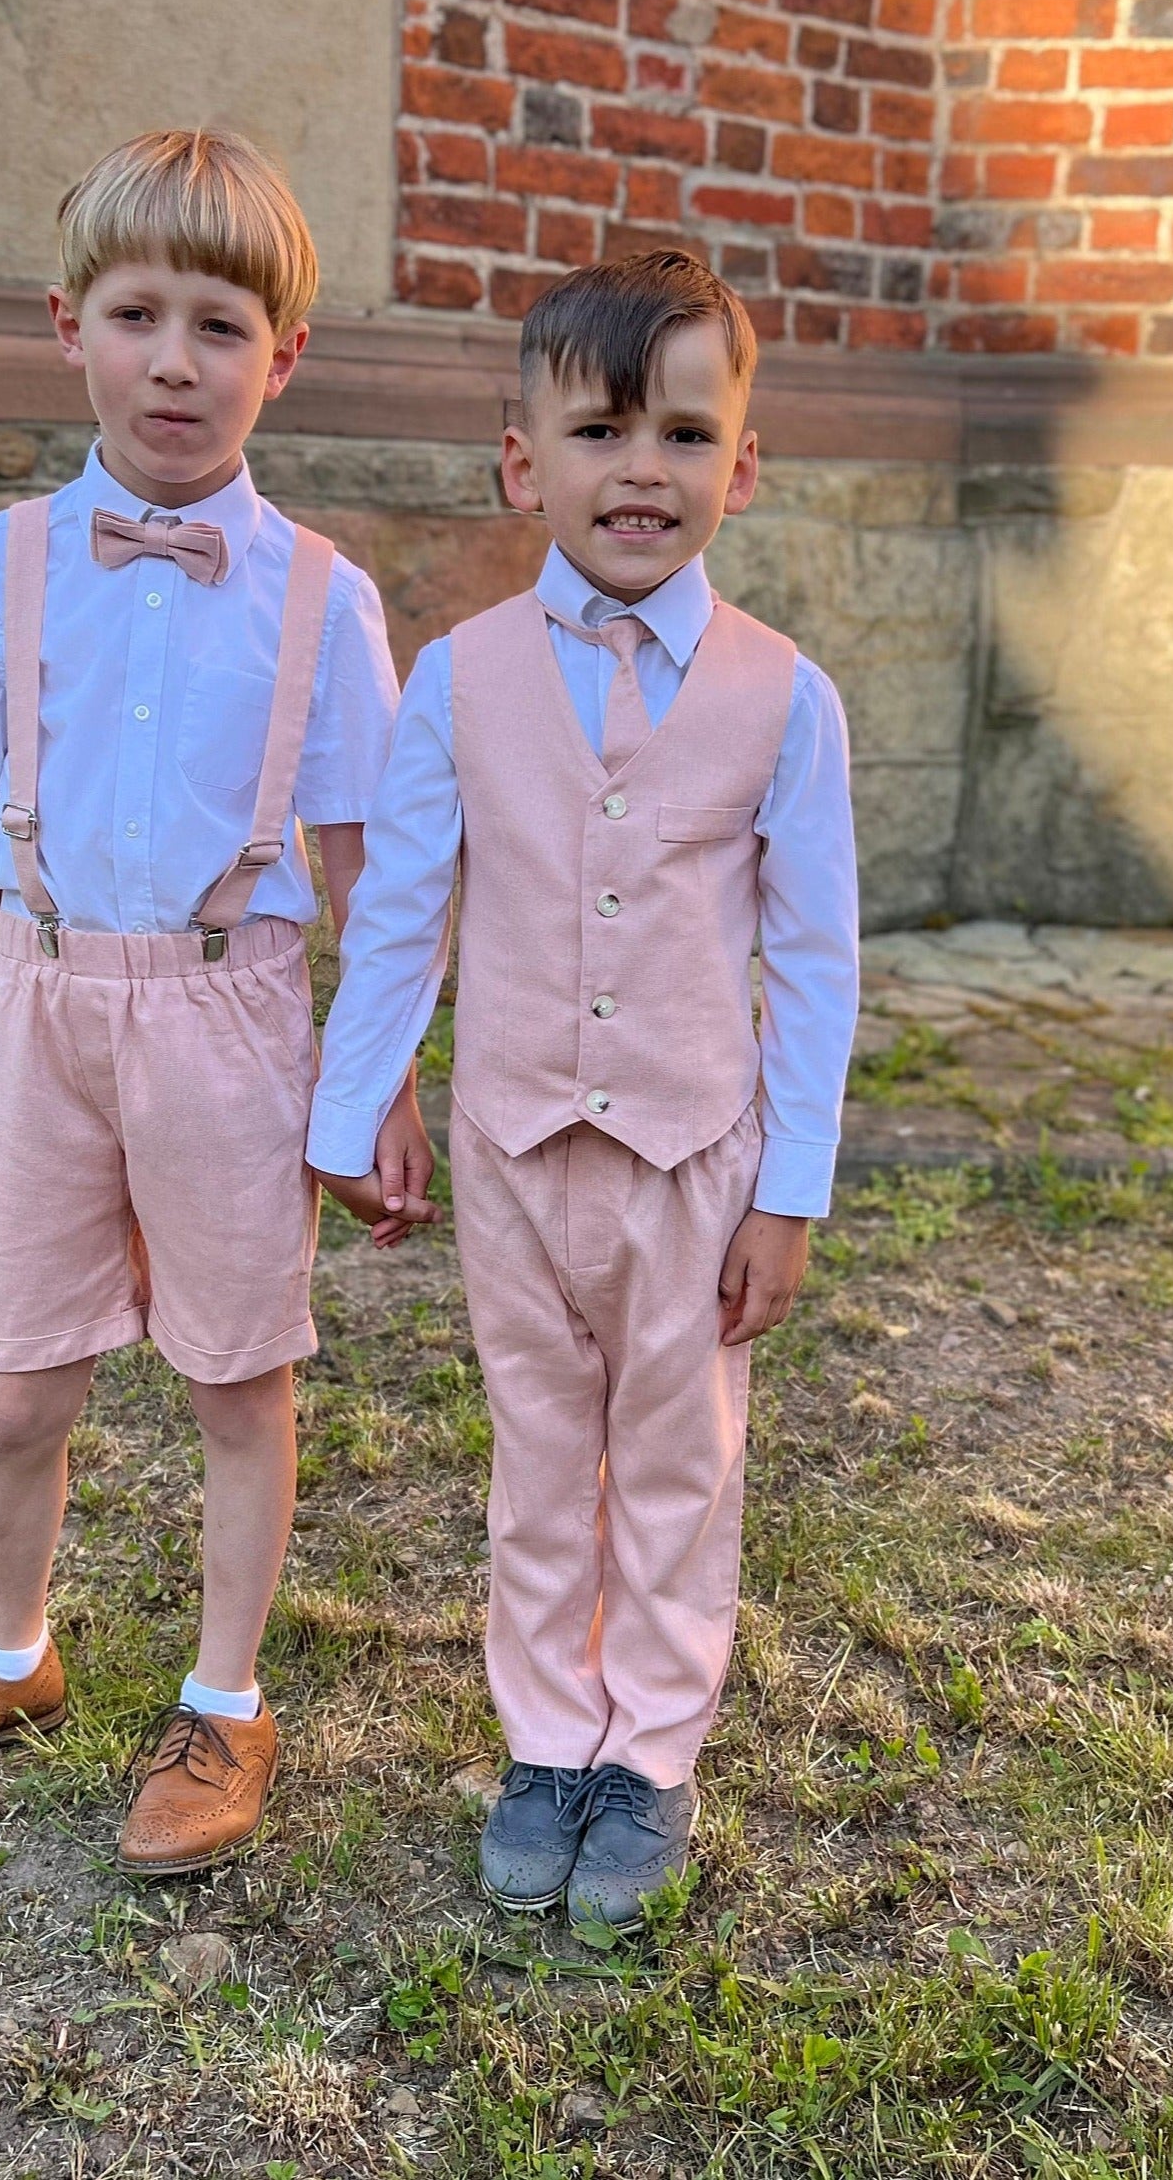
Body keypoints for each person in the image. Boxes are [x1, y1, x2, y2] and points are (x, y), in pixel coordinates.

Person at [0, 130, 400, 1876]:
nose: (175, 359)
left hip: (233, 1015)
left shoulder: (325, 593)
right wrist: (0, 999)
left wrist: (370, 1077)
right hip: (52, 999)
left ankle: (225, 1702)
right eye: (137, 314)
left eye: (220, 324)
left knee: (238, 1378)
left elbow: (368, 860)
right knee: (18, 1382)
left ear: (279, 358)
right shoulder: (5, 564)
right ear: (67, 325)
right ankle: (10, 1656)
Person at [311, 250, 859, 1932]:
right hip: (515, 1147)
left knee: (679, 1462)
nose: (643, 470)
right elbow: (403, 901)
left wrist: (791, 1188)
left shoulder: (787, 696)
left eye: (685, 435)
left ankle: (654, 1752)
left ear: (741, 467)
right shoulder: (457, 674)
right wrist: (359, 1108)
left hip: (696, 1152)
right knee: (542, 1453)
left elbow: (815, 956)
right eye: (601, 429)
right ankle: (550, 1735)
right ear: (519, 462)